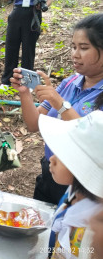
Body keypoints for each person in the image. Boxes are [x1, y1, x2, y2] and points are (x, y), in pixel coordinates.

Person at [10, 13, 103, 205]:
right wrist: (25, 93)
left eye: (84, 48)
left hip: (84, 184)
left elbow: (91, 139)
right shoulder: (71, 82)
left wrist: (60, 104)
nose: (75, 54)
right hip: (51, 170)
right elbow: (34, 124)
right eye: (73, 47)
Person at [38, 111, 103, 258]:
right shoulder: (73, 192)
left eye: (63, 155)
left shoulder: (92, 234)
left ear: (83, 170)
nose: (51, 159)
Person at [0, 0, 52, 88]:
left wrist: (45, 6)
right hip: (17, 14)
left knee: (28, 49)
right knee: (11, 47)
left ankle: (27, 82)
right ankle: (7, 81)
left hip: (33, 15)